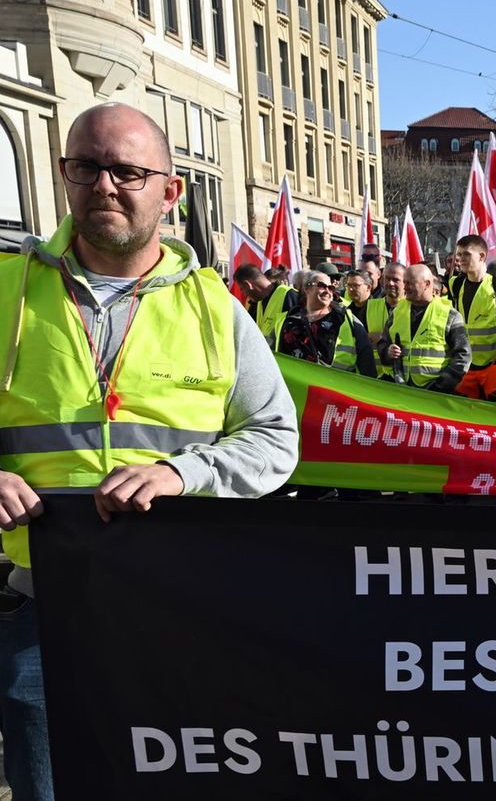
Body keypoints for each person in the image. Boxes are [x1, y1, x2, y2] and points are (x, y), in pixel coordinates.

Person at [0, 102, 298, 797]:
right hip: (40, 608)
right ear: (64, 174)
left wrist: (182, 473)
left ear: (170, 191)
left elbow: (275, 438)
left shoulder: (214, 306)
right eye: (86, 167)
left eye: (127, 171)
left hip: (179, 604)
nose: (104, 185)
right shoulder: (6, 292)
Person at [450, 235, 496, 403]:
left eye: (466, 254)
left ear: (482, 256)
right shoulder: (455, 284)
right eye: (459, 254)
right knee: (463, 412)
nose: (460, 259)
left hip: (494, 365)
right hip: (465, 365)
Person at [379, 265, 469, 393]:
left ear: (427, 284)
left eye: (410, 283)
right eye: (404, 282)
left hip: (436, 393)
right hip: (401, 388)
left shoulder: (450, 315)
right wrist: (388, 352)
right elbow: (383, 343)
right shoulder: (397, 312)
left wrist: (442, 385)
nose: (405, 287)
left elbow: (463, 355)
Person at [277, 270, 376, 377]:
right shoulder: (288, 320)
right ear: (307, 288)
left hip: (336, 384)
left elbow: (367, 361)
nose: (327, 291)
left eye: (331, 288)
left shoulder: (346, 319)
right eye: (322, 286)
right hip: (298, 384)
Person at [234, 261, 301, 346]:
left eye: (242, 289)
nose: (244, 294)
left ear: (248, 284)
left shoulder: (289, 295)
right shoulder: (257, 303)